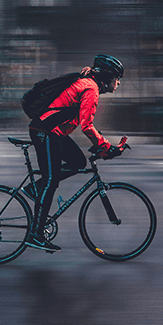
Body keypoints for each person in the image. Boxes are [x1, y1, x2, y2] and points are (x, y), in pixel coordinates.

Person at [24, 54, 126, 252]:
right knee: (51, 180)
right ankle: (35, 234)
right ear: (107, 77)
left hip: (52, 131)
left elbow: (86, 124)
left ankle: (36, 188)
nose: (119, 83)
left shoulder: (88, 83)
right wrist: (105, 147)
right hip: (45, 131)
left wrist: (102, 145)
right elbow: (87, 126)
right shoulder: (91, 88)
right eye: (117, 78)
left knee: (79, 162)